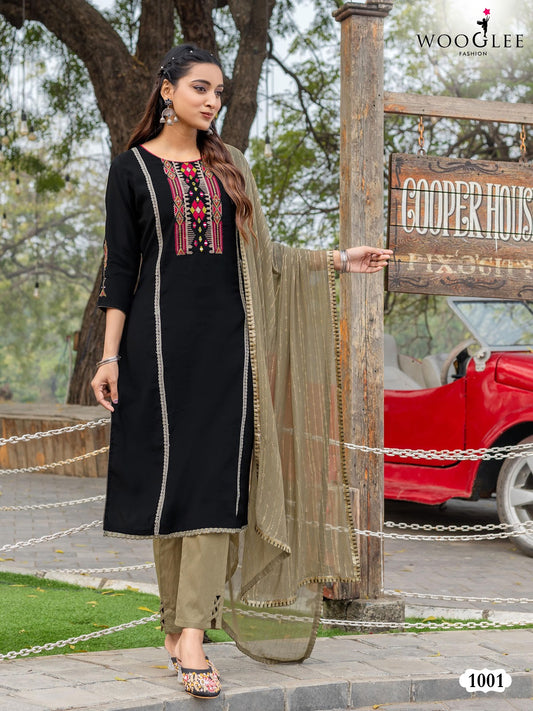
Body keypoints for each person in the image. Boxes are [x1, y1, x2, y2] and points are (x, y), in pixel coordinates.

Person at [91, 44, 392, 700]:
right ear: (166, 89)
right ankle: (174, 625)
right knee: (172, 490)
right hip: (157, 349)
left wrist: (337, 260)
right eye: (200, 87)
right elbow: (121, 269)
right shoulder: (131, 170)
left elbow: (264, 256)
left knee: (214, 489)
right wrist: (109, 356)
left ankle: (193, 633)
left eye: (219, 92)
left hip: (230, 350)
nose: (211, 100)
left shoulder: (230, 166)